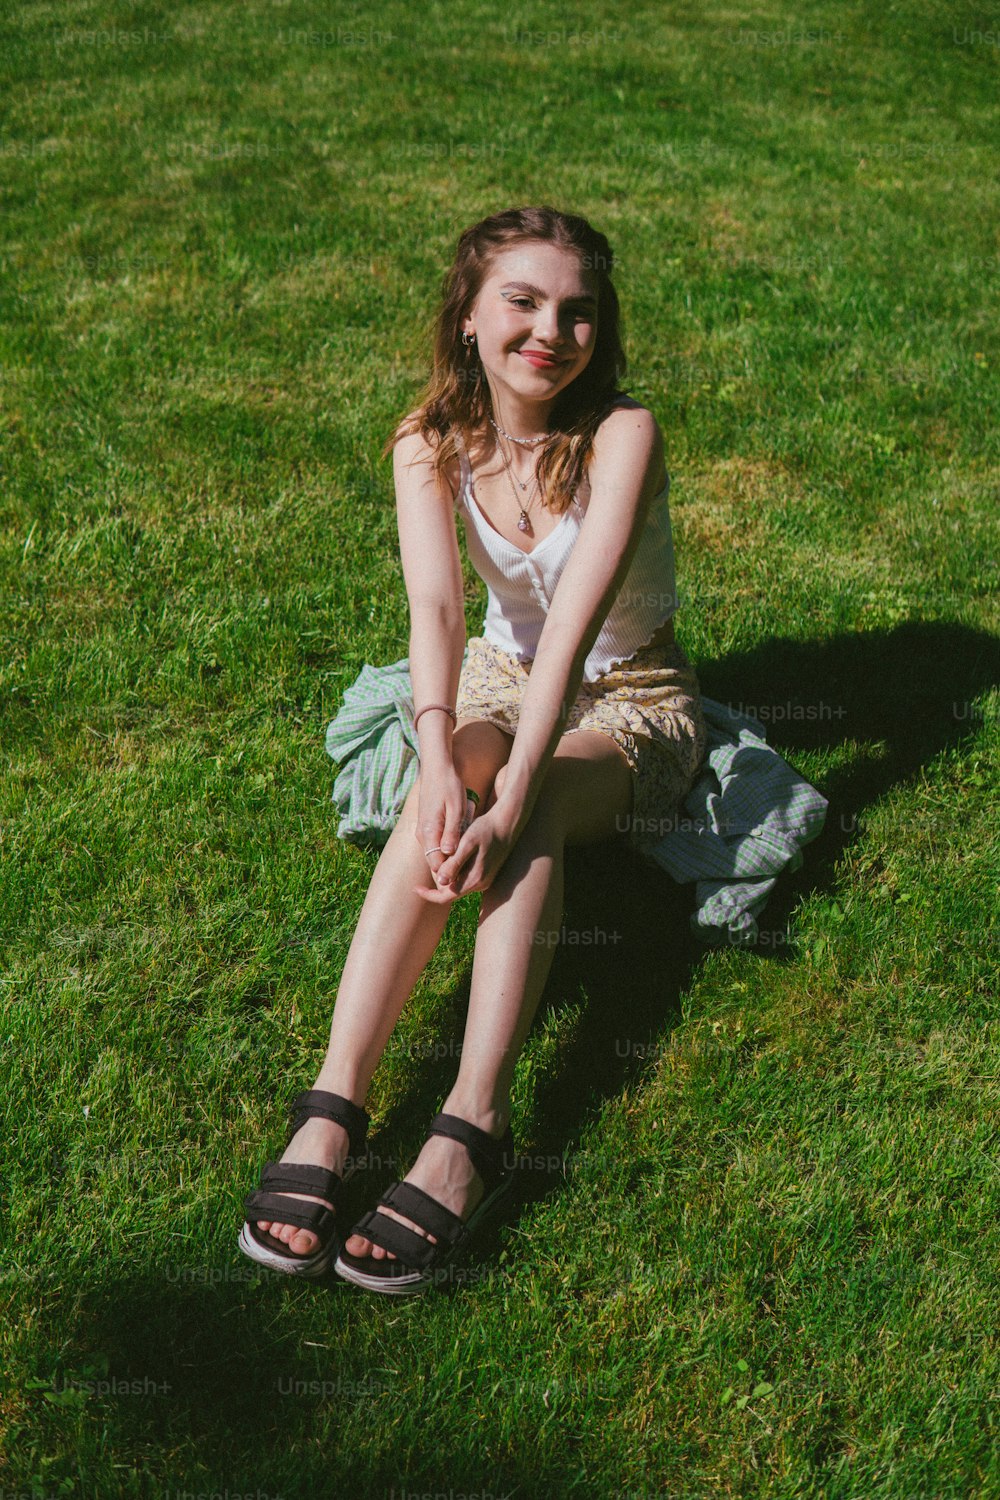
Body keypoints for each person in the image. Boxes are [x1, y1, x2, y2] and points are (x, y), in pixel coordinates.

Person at [239, 205, 707, 1295]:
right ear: (467, 317)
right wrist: (443, 756)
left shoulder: (621, 434)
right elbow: (440, 618)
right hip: (499, 679)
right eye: (524, 301)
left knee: (526, 804)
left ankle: (472, 1125)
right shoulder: (425, 438)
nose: (552, 329)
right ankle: (334, 1105)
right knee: (441, 793)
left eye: (577, 310)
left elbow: (579, 634)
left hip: (631, 696)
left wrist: (506, 789)